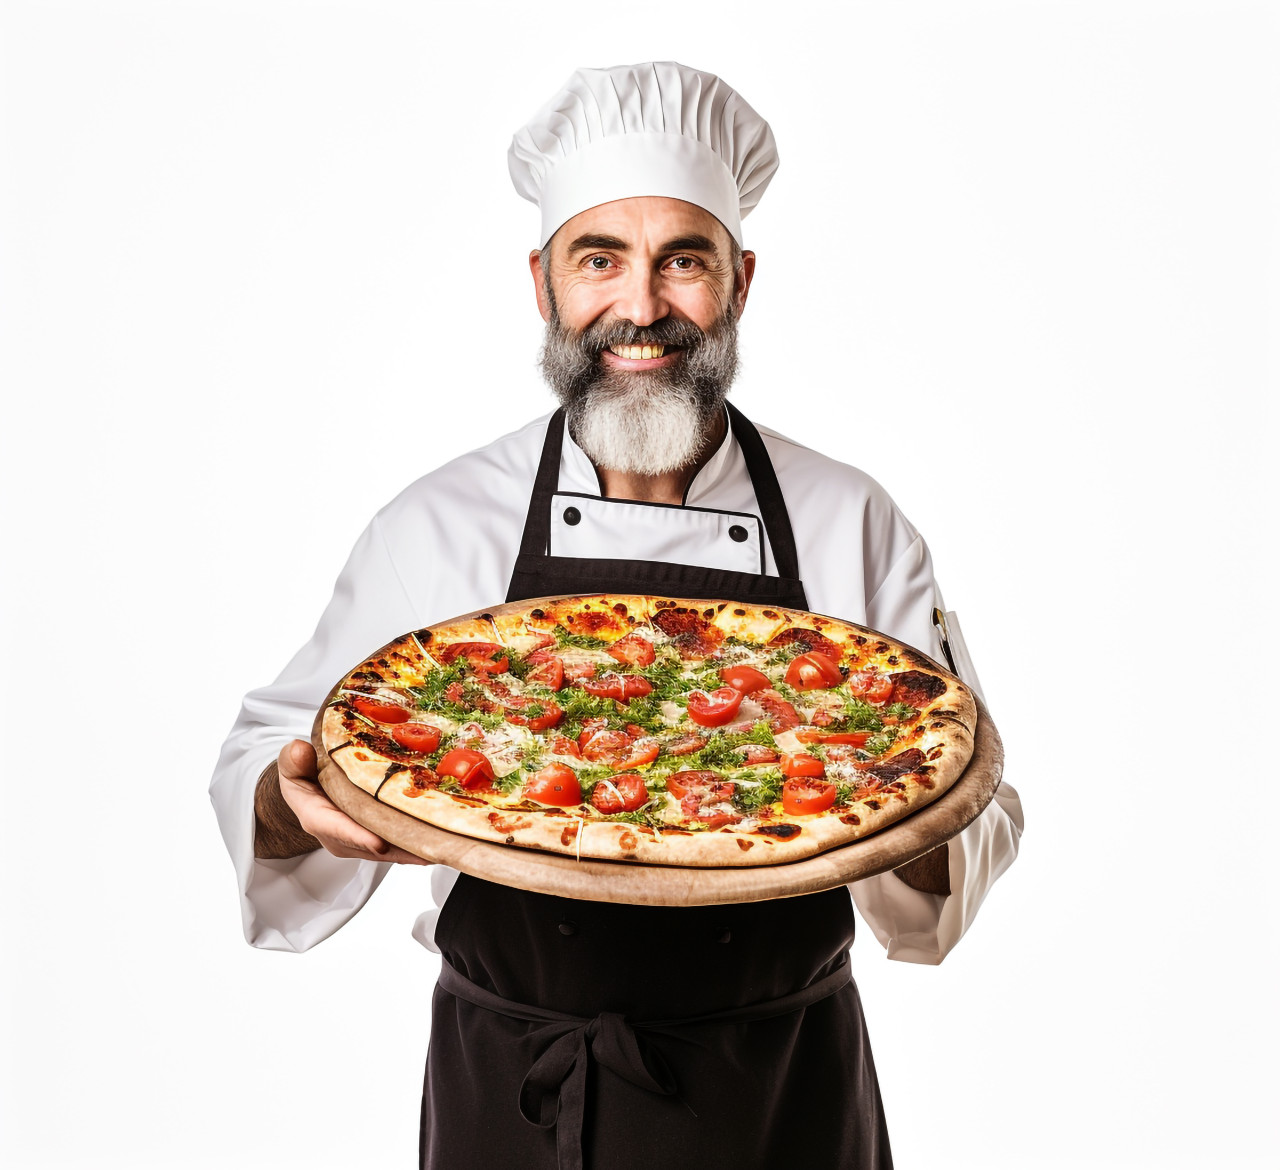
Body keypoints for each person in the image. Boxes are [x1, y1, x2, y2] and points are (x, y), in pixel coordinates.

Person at [211, 61, 1024, 1170]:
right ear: (541, 286)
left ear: (737, 282)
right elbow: (273, 757)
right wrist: (287, 801)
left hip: (781, 1089)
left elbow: (967, 810)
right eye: (599, 260)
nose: (639, 308)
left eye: (680, 261)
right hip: (515, 1096)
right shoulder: (439, 525)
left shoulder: (850, 520)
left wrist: (917, 824)